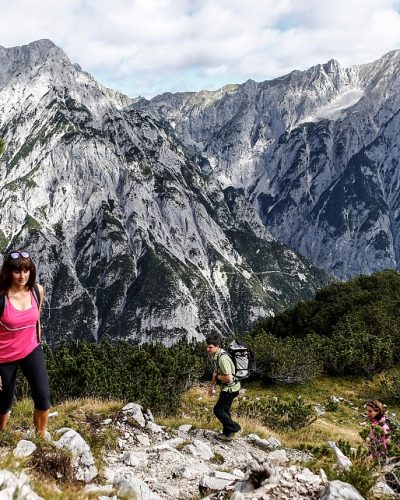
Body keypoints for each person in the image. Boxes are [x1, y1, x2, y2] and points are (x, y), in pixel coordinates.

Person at [0, 250, 51, 437]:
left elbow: (37, 320)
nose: (22, 276)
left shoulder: (37, 290)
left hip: (31, 349)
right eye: (17, 271)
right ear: (8, 272)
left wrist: (38, 344)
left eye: (26, 270)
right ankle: (2, 435)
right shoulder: (1, 297)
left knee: (43, 395)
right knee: (4, 402)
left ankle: (41, 436)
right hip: (3, 356)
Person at [206, 334, 241, 440]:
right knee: (225, 410)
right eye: (207, 347)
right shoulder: (218, 355)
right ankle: (227, 433)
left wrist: (218, 377)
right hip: (230, 388)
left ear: (217, 346)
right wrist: (212, 387)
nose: (208, 349)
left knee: (218, 410)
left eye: (210, 347)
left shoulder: (222, 358)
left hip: (230, 389)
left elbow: (228, 378)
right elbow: (215, 373)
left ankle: (236, 428)